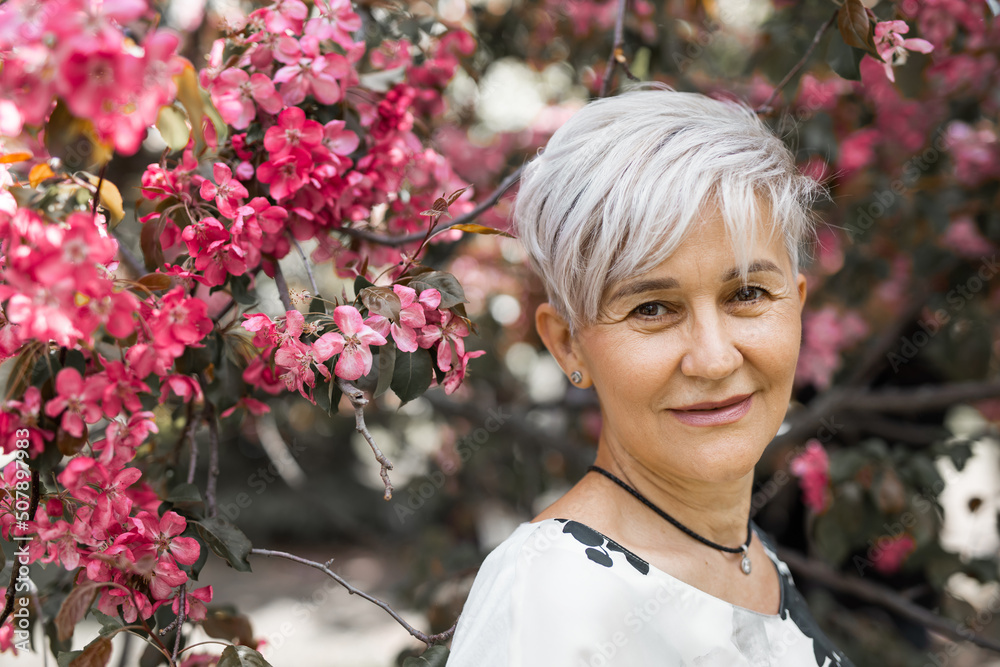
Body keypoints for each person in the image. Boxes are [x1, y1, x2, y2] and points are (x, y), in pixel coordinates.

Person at [446, 84, 856, 666]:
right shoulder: (549, 597)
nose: (714, 359)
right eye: (651, 308)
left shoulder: (747, 551)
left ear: (797, 303)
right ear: (568, 345)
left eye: (747, 293)